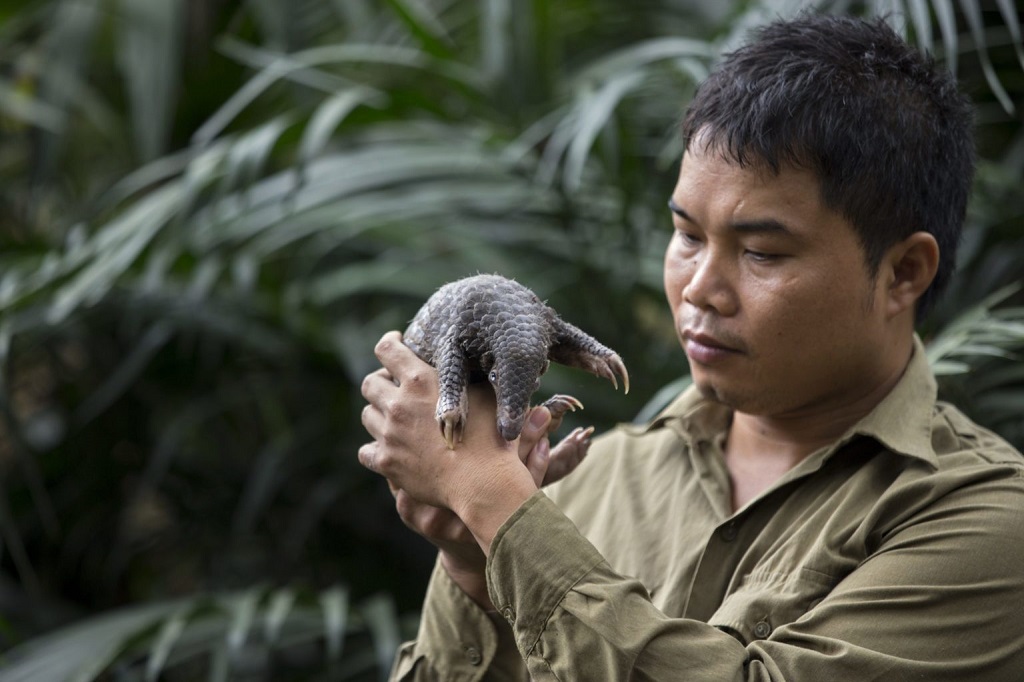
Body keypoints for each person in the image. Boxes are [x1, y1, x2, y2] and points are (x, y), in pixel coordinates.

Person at [359, 13, 1024, 681]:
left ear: (903, 272)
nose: (701, 289)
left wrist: (494, 507)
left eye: (762, 252)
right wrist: (473, 565)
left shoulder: (984, 525)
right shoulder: (586, 476)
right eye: (687, 236)